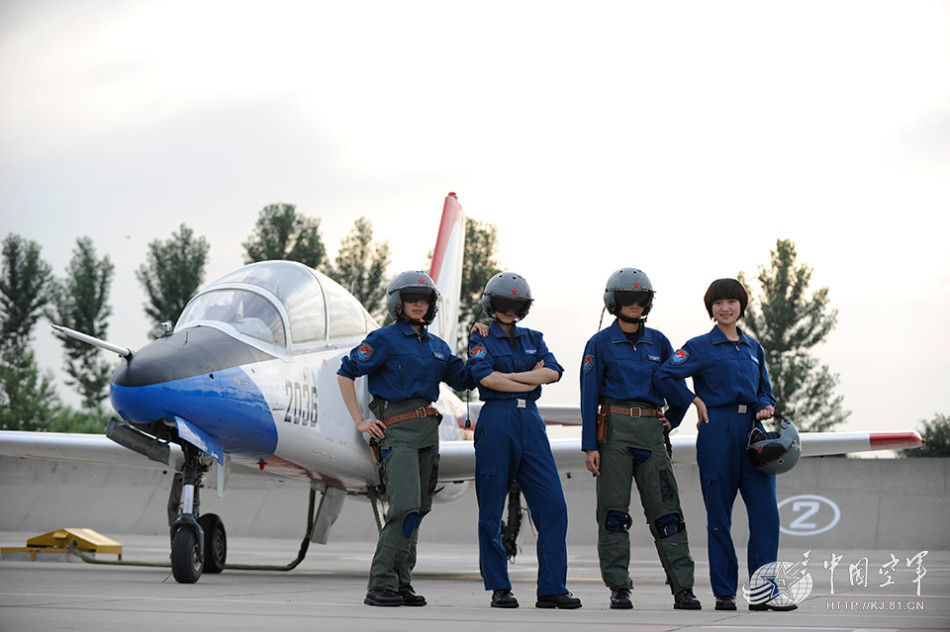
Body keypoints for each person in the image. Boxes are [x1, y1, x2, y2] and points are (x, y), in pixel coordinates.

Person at [653, 278, 794, 612]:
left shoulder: (753, 348)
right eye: (718, 303)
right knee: (719, 516)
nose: (725, 308)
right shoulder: (699, 346)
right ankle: (724, 592)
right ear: (711, 309)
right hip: (716, 430)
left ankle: (764, 590)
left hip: (752, 434)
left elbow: (766, 390)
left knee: (766, 515)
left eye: (732, 301)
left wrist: (766, 404)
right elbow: (664, 375)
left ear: (741, 306)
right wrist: (692, 400)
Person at [337, 271, 471, 608]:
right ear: (398, 303)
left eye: (424, 300)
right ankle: (380, 583)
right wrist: (360, 421)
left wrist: (481, 342)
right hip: (396, 431)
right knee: (404, 506)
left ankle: (402, 582)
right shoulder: (382, 340)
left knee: (420, 509)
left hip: (428, 431)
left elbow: (466, 378)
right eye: (412, 299)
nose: (418, 305)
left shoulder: (439, 348)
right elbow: (346, 372)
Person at [580, 268, 701, 611]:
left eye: (640, 300)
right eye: (627, 299)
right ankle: (619, 587)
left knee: (668, 515)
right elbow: (588, 397)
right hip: (614, 434)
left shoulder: (659, 342)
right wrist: (590, 445)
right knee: (614, 514)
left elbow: (676, 386)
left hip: (651, 435)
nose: (634, 305)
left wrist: (673, 420)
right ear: (613, 302)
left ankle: (683, 588)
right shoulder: (599, 344)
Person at [467, 272, 581, 610]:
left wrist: (510, 378)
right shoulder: (480, 337)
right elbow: (485, 378)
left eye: (515, 304)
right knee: (491, 509)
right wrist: (529, 380)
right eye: (502, 303)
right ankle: (499, 586)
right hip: (496, 421)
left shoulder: (535, 337)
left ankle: (551, 588)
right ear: (491, 304)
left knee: (553, 507)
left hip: (531, 422)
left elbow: (554, 372)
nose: (508, 310)